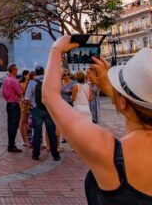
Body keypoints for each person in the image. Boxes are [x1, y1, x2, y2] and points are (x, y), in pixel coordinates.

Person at [43, 35, 152, 204]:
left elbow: (50, 96)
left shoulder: (108, 151)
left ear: (124, 102)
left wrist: (56, 50)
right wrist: (113, 90)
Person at [25, 65, 60, 161]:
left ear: (35, 73)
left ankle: (36, 154)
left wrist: (32, 105)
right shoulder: (49, 81)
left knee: (37, 132)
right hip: (48, 109)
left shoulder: (32, 82)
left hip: (36, 110)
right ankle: (55, 154)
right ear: (44, 72)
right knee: (51, 132)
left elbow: (27, 98)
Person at [2, 64, 22, 153]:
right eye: (16, 69)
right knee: (14, 125)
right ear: (14, 71)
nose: (17, 70)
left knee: (10, 125)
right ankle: (11, 145)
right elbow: (19, 93)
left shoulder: (6, 80)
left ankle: (10, 144)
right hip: (14, 103)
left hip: (9, 103)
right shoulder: (14, 81)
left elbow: (3, 93)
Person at [18, 70, 31, 146]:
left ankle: (26, 139)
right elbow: (21, 96)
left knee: (26, 122)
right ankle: (24, 140)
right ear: (25, 75)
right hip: (24, 104)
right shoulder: (21, 84)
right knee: (23, 121)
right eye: (28, 74)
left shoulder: (29, 83)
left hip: (29, 104)